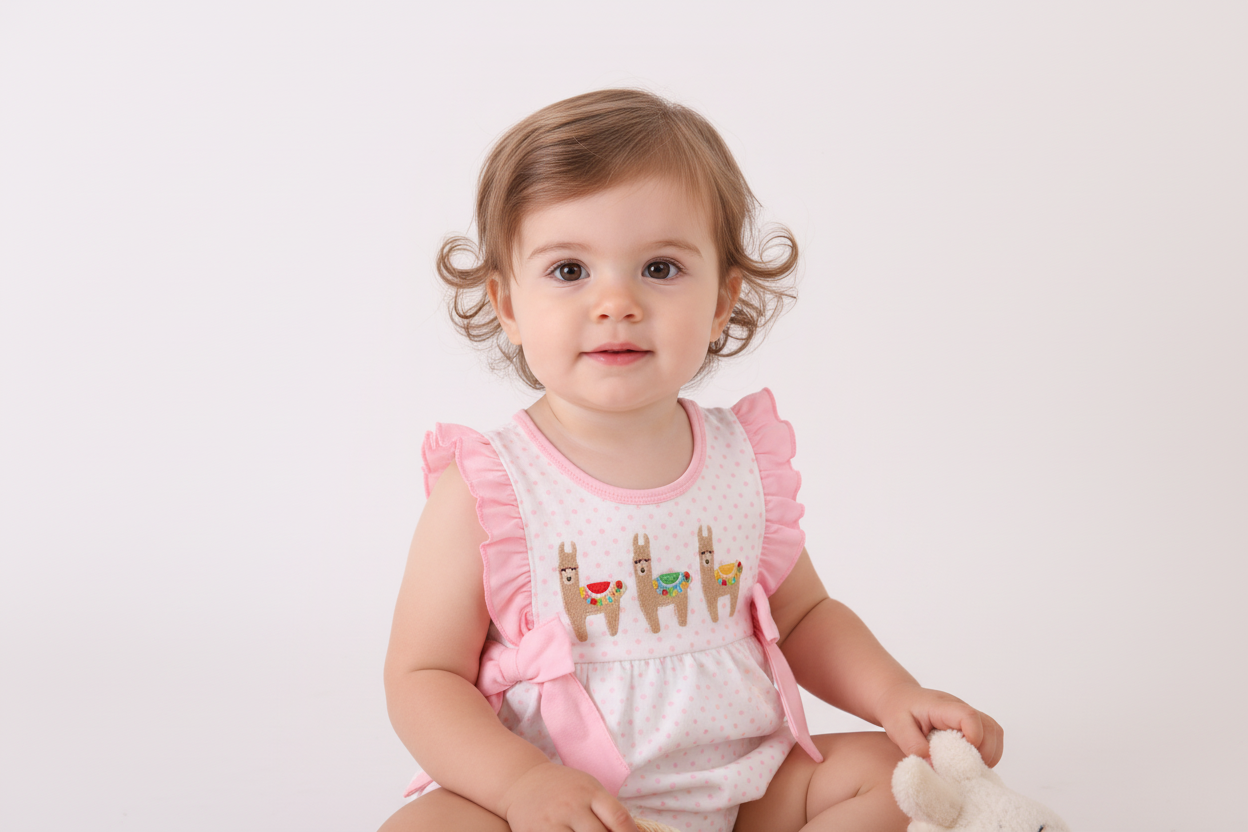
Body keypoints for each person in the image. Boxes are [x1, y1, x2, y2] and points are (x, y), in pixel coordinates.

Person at [379, 89, 1003, 832]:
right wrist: (521, 786)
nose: (616, 302)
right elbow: (424, 675)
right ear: (507, 305)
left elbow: (805, 615)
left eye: (661, 268)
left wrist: (895, 695)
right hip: (560, 802)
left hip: (741, 788)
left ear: (722, 301)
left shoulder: (742, 461)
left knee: (894, 777)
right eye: (570, 271)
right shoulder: (492, 486)